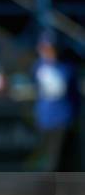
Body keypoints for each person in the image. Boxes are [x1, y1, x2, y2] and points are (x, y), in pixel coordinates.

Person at [33, 32, 80, 171]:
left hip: (63, 120)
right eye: (45, 48)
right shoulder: (38, 67)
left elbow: (74, 95)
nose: (48, 52)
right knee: (44, 160)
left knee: (59, 161)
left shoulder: (67, 68)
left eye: (51, 48)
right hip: (44, 120)